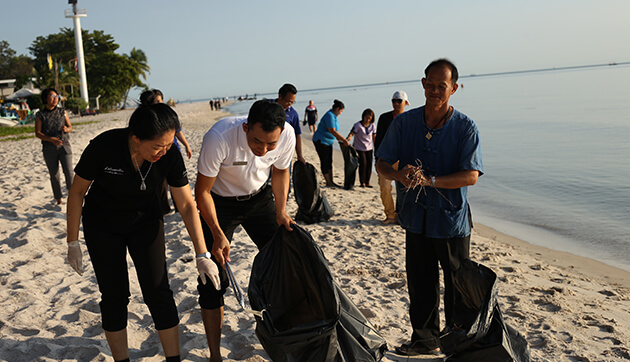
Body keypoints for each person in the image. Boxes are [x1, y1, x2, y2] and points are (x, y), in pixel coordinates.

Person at [66, 103, 220, 362]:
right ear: (136, 139)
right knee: (114, 295)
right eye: (158, 146)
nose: (164, 152)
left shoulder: (169, 154)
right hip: (102, 225)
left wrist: (202, 253)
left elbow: (185, 204)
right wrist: (73, 241)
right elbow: (77, 192)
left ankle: (173, 359)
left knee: (158, 290)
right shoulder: (104, 146)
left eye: (169, 145)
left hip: (145, 222)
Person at [376, 59, 483, 356]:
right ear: (423, 84)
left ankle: (457, 343)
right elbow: (382, 162)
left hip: (451, 221)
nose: (435, 91)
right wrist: (398, 174)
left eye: (442, 86)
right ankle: (424, 341)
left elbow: (471, 176)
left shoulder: (465, 127)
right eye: (431, 84)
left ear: (454, 88)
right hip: (415, 218)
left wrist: (431, 180)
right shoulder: (403, 123)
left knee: (457, 287)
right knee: (420, 284)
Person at [195, 99, 296, 361]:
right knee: (212, 279)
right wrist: (217, 232)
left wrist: (281, 212)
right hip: (219, 204)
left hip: (260, 200)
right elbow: (202, 191)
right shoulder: (219, 137)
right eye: (256, 141)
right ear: (245, 128)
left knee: (283, 264)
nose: (263, 149)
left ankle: (286, 336)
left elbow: (281, 173)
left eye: (270, 144)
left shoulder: (287, 136)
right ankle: (215, 354)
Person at [141, 89, 193, 214]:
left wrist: (186, 145)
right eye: (156, 101)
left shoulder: (168, 114)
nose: (159, 103)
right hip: (156, 152)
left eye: (160, 100)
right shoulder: (149, 116)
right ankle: (164, 208)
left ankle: (178, 207)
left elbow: (178, 131)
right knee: (161, 182)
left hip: (172, 151)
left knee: (176, 181)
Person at [374, 90, 409, 224]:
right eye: (393, 101)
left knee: (404, 189)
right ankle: (390, 215)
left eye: (399, 101)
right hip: (386, 160)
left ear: (405, 103)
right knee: (385, 187)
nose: (395, 103)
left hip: (403, 160)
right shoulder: (384, 118)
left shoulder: (409, 119)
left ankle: (401, 215)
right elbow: (378, 140)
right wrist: (376, 160)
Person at [35, 88, 73, 205]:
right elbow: (38, 133)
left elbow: (70, 126)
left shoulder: (63, 112)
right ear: (45, 98)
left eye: (56, 96)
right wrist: (50, 139)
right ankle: (59, 200)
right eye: (52, 96)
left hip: (64, 146)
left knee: (69, 172)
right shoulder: (40, 115)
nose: (55, 98)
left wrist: (67, 129)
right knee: (54, 175)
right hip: (49, 149)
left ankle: (72, 197)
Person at [312, 99, 350, 187]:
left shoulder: (333, 116)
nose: (341, 113)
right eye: (341, 111)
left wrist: (340, 139)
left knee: (329, 160)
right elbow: (332, 130)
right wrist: (343, 140)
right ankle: (328, 182)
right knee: (325, 160)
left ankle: (331, 181)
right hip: (321, 140)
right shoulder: (329, 115)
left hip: (328, 141)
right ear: (337, 109)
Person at [275, 83, 306, 164]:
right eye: (287, 101)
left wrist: (299, 155)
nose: (289, 105)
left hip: (284, 154)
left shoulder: (293, 114)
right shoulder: (266, 106)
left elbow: (297, 134)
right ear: (280, 96)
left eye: (292, 102)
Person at [346, 108, 376, 187]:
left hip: (369, 148)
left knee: (369, 164)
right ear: (363, 117)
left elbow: (374, 137)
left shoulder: (373, 126)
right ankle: (362, 182)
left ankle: (367, 182)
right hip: (359, 148)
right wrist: (348, 139)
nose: (367, 120)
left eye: (369, 118)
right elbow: (352, 133)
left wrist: (377, 147)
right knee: (363, 164)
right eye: (366, 118)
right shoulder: (358, 125)